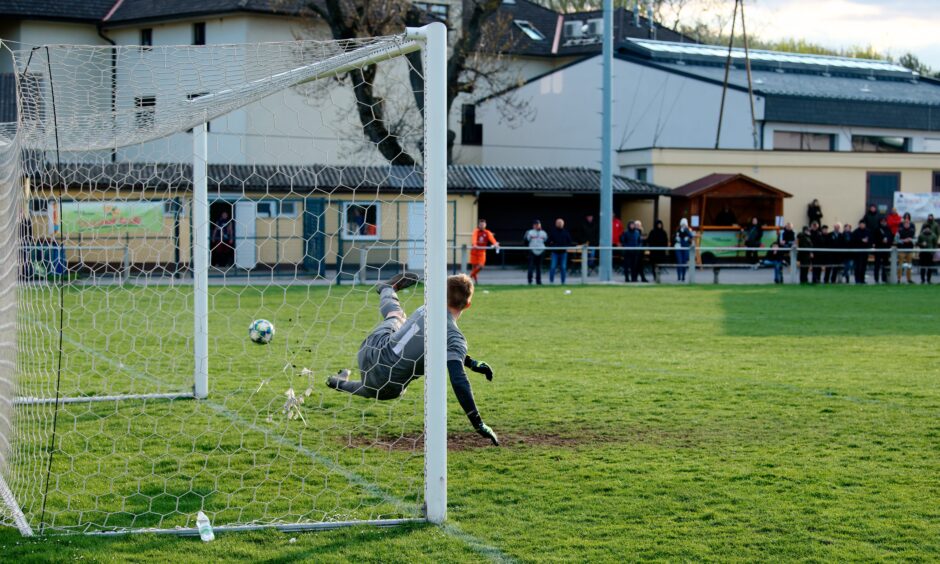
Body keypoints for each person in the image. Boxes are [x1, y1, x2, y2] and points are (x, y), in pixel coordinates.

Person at [327, 273, 499, 446]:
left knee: (396, 316)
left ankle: (387, 289)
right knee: (377, 385)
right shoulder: (455, 337)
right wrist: (478, 423)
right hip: (387, 386)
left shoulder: (425, 308)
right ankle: (340, 384)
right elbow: (458, 380)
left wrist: (470, 362)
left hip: (370, 350)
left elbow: (441, 347)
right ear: (468, 305)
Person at [469, 219, 499, 284]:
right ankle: (475, 282)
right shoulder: (475, 231)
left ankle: (469, 277)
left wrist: (495, 244)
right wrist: (474, 244)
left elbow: (492, 239)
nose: (482, 226)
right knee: (474, 268)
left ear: (485, 225)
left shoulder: (487, 232)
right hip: (474, 251)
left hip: (482, 252)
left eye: (483, 225)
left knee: (481, 266)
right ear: (478, 225)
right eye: (480, 225)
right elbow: (474, 239)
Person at [547, 218, 573, 284]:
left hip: (563, 253)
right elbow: (548, 241)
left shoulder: (566, 232)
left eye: (560, 223)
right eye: (558, 223)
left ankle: (563, 282)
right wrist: (552, 246)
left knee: (563, 268)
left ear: (563, 224)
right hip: (555, 253)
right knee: (552, 267)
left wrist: (565, 247)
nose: (559, 224)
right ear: (556, 224)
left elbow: (569, 242)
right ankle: (551, 282)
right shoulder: (553, 232)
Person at [524, 219, 548, 285]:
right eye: (536, 224)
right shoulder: (529, 232)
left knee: (539, 267)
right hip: (532, 251)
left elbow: (546, 241)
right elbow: (526, 241)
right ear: (533, 225)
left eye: (539, 224)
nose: (538, 226)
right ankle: (530, 281)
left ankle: (539, 281)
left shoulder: (544, 233)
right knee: (530, 266)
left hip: (541, 251)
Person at [896, 213, 916, 284]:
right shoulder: (900, 229)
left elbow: (915, 239)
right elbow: (896, 239)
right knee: (900, 264)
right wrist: (903, 240)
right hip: (902, 249)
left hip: (910, 249)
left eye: (908, 219)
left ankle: (909, 279)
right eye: (906, 219)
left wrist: (911, 240)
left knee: (909, 265)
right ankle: (898, 278)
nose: (907, 221)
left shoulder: (912, 228)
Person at [872, 216, 893, 283]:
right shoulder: (877, 229)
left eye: (885, 221)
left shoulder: (888, 229)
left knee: (885, 264)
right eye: (882, 221)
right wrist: (881, 241)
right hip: (878, 249)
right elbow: (874, 239)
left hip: (886, 249)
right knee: (877, 265)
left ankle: (885, 278)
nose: (883, 222)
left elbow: (891, 237)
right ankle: (876, 279)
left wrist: (888, 241)